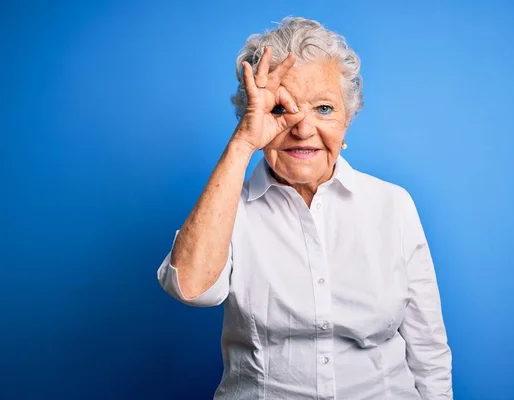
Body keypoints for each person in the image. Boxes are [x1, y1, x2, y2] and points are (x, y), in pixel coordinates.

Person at [157, 16, 453, 400]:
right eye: (281, 109)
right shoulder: (231, 208)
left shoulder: (392, 205)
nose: (303, 128)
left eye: (324, 108)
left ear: (349, 118)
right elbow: (191, 288)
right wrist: (242, 145)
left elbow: (428, 348)